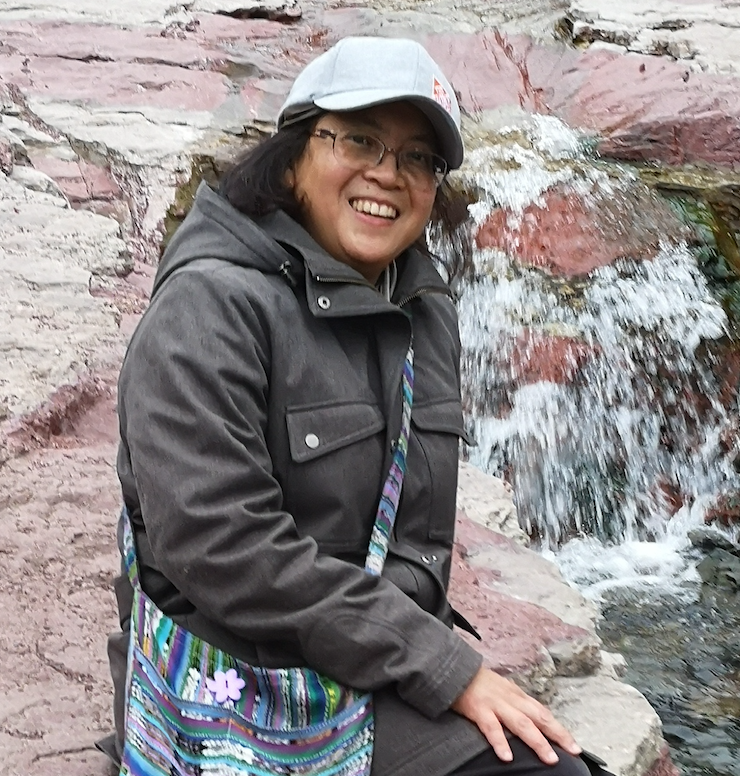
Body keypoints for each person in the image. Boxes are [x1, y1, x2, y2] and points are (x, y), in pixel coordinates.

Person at [100, 35, 609, 776]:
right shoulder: (208, 308)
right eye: (360, 139)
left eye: (416, 158)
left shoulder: (423, 307)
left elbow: (414, 541)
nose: (387, 175)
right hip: (233, 676)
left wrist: (426, 662)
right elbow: (224, 549)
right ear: (295, 155)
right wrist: (444, 668)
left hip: (364, 665)